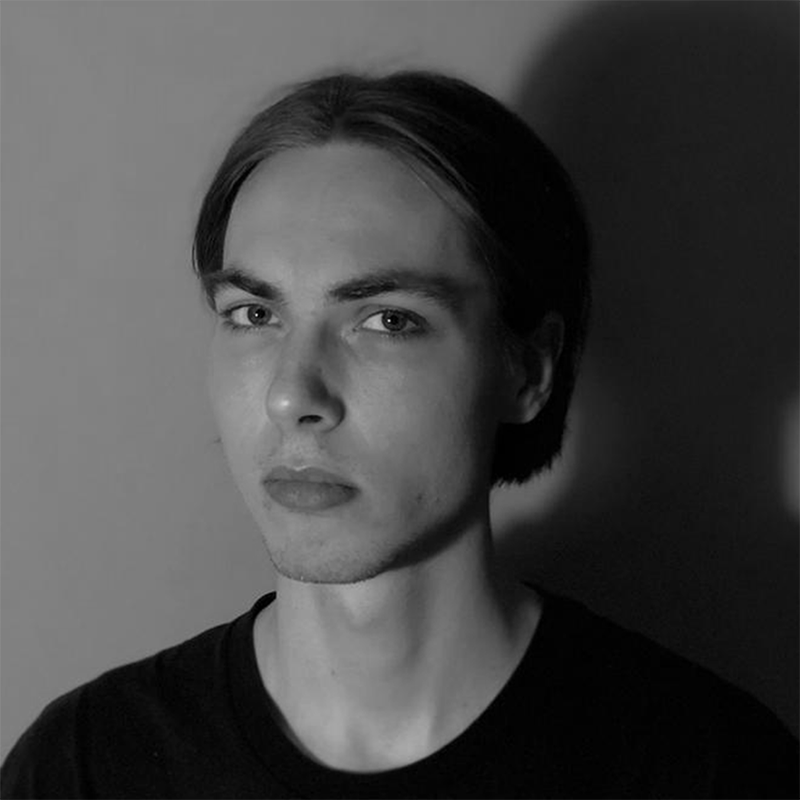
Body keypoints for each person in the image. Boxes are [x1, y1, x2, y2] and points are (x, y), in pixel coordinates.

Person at [2, 69, 798, 799]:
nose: (292, 394)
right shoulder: (81, 768)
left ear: (527, 370)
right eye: (254, 313)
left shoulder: (711, 768)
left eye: (387, 320)